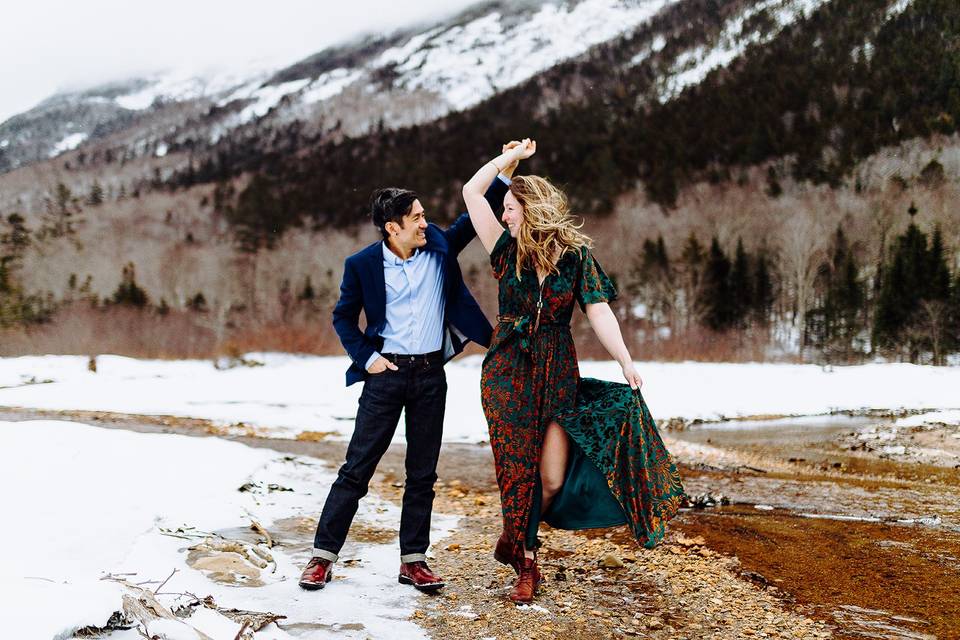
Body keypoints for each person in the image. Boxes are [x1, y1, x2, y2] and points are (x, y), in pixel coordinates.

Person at [462, 139, 684, 604]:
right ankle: (527, 560)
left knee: (552, 479)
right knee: (517, 471)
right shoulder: (504, 249)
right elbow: (470, 192)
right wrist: (507, 162)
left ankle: (513, 534)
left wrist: (625, 359)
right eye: (503, 207)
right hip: (507, 371)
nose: (504, 215)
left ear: (532, 207)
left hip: (558, 369)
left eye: (511, 208)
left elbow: (599, 312)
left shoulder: (575, 258)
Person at [298, 171, 513, 592]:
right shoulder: (361, 265)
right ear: (391, 226)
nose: (424, 222)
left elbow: (471, 215)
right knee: (356, 470)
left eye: (423, 215)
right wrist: (367, 358)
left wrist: (505, 174)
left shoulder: (438, 247)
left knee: (422, 474)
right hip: (386, 377)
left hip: (432, 375)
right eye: (415, 217)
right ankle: (322, 557)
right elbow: (343, 317)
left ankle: (413, 561)